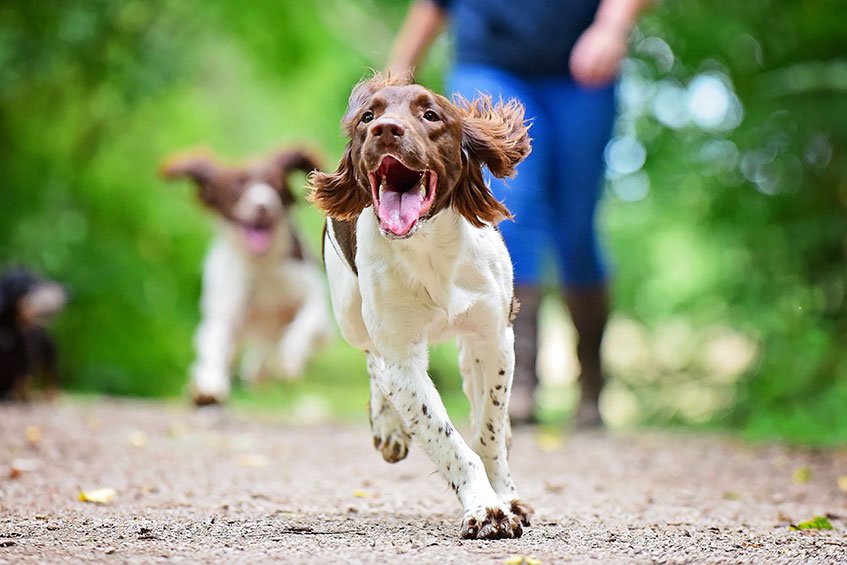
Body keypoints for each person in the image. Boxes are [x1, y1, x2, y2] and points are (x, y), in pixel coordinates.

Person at [388, 0, 651, 427]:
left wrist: (610, 25)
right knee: (515, 208)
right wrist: (398, 77)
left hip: (581, 71)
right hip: (489, 65)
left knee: (576, 228)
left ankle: (592, 385)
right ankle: (516, 381)